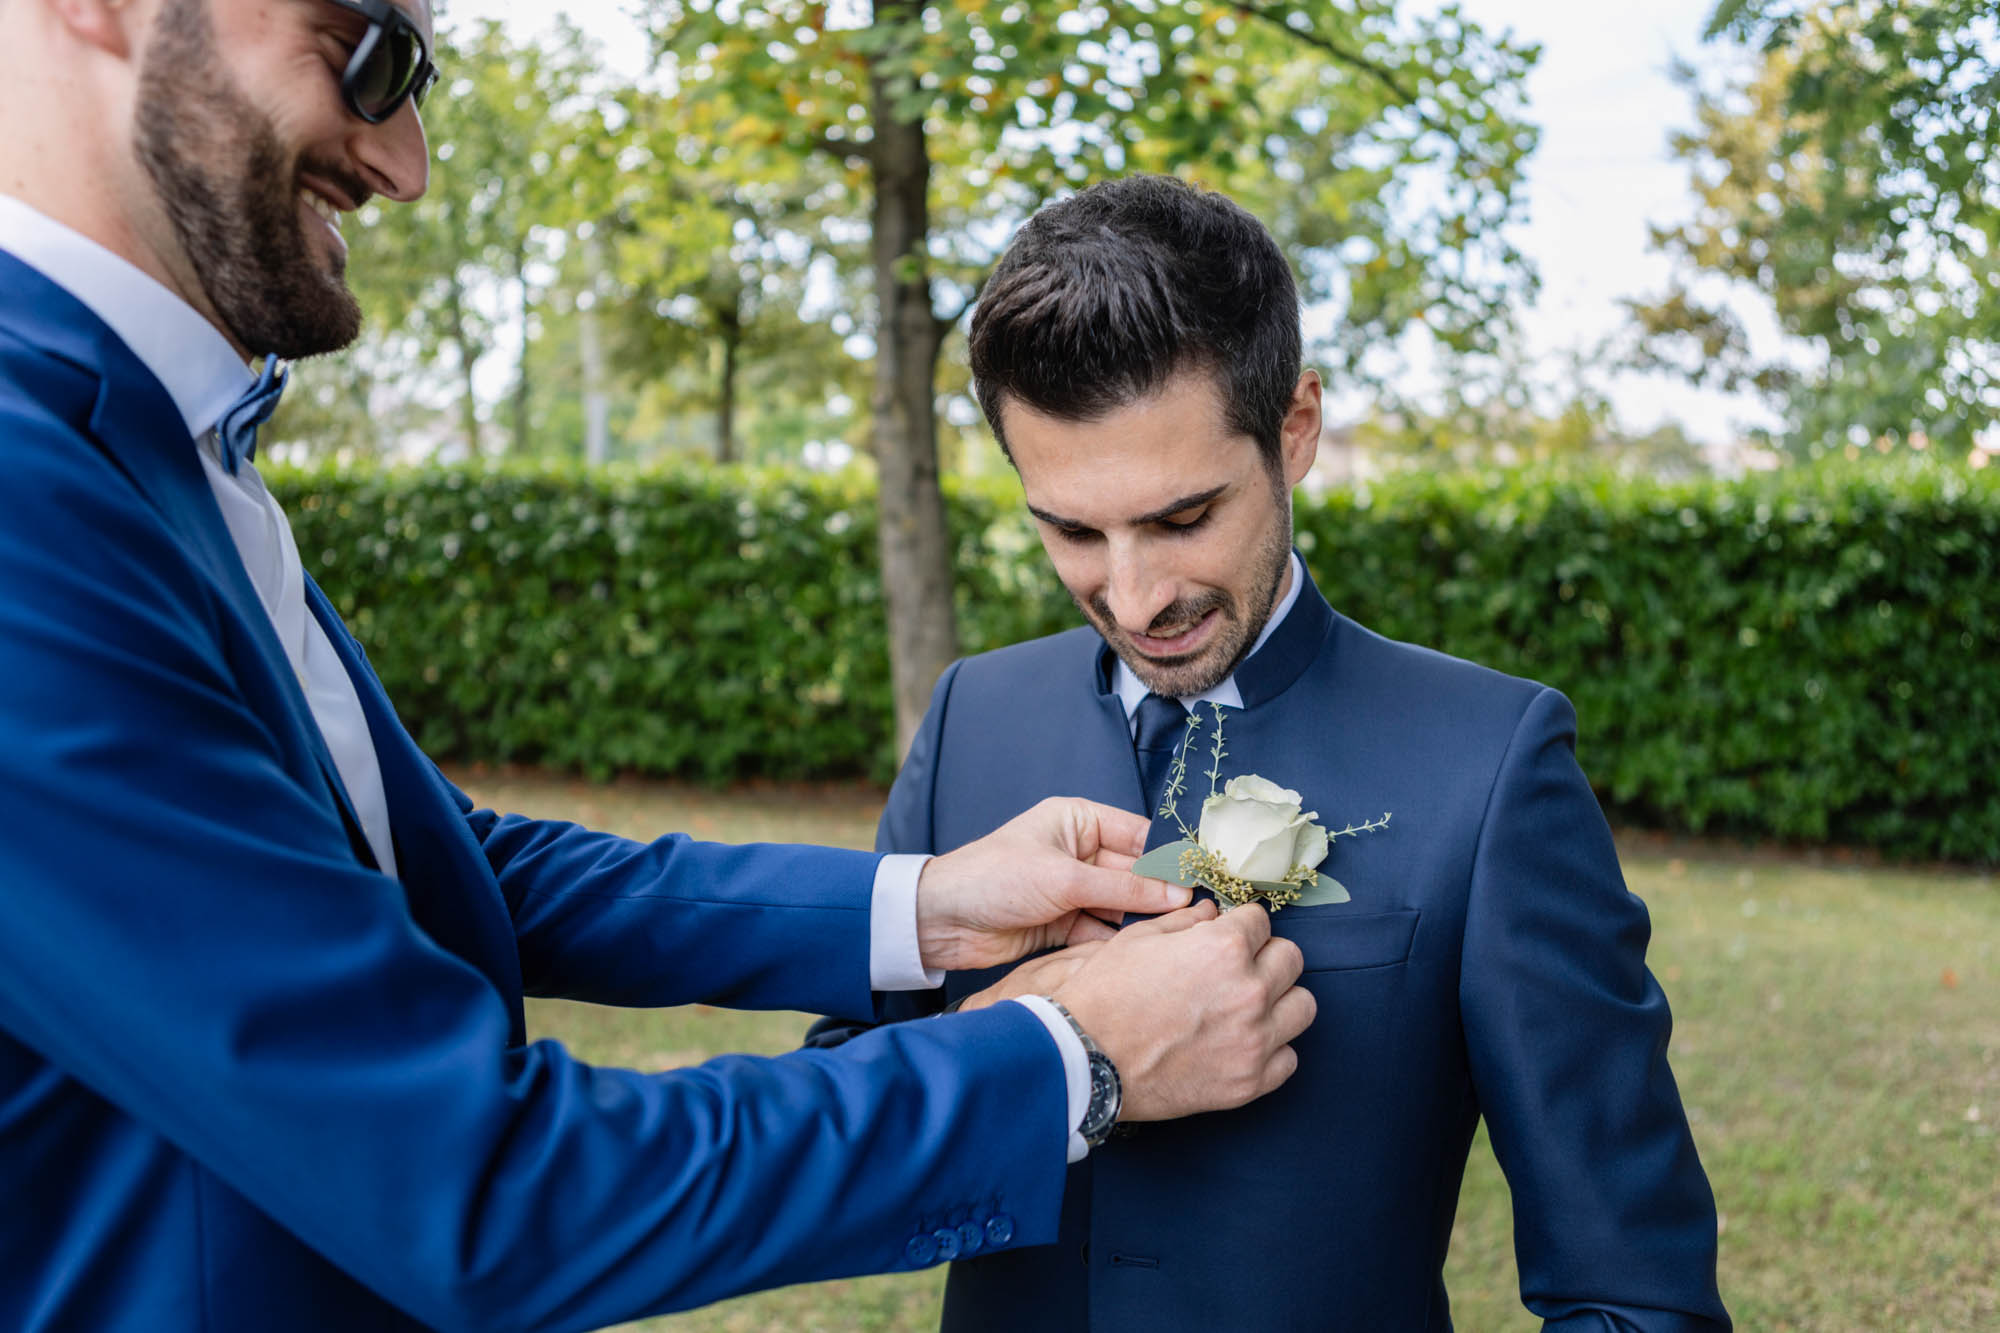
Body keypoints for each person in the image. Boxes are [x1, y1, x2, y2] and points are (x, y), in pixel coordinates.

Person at [0, 4, 1320, 1330]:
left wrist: (928, 907)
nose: (406, 159)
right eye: (366, 48)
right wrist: (1068, 1058)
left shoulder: (161, 448)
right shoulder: (23, 495)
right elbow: (484, 1188)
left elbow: (436, 872)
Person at [814, 175, 1731, 1330]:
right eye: (1070, 530)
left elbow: (1631, 1294)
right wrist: (1026, 1041)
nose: (1134, 596)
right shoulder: (968, 716)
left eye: (1182, 517)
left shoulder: (1490, 761)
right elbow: (835, 1141)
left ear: (1292, 431)